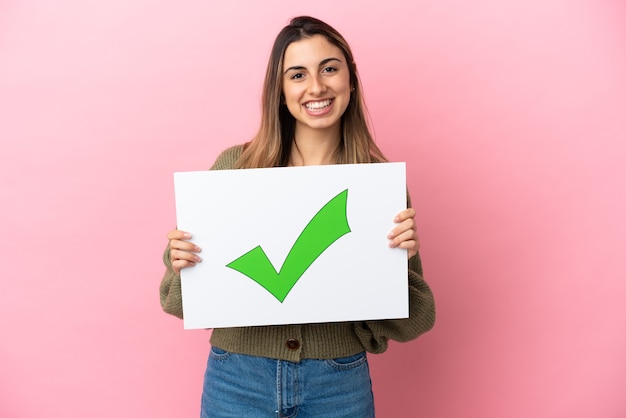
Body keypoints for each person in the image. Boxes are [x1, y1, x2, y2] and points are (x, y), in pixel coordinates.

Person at [160, 16, 435, 417]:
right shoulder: (235, 169)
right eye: (297, 74)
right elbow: (177, 302)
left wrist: (400, 263)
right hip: (238, 378)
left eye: (329, 68)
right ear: (281, 91)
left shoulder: (378, 186)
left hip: (338, 382)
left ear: (351, 80)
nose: (316, 87)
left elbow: (413, 322)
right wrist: (180, 262)